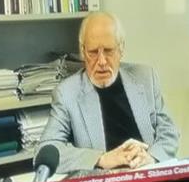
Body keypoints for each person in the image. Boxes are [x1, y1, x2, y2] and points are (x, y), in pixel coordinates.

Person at [40, 11, 179, 173]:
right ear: (83, 52)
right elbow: (46, 148)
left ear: (121, 49)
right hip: (105, 181)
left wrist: (151, 157)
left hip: (147, 173)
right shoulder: (66, 93)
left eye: (108, 50)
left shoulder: (145, 77)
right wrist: (102, 159)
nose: (101, 61)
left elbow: (169, 131)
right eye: (93, 52)